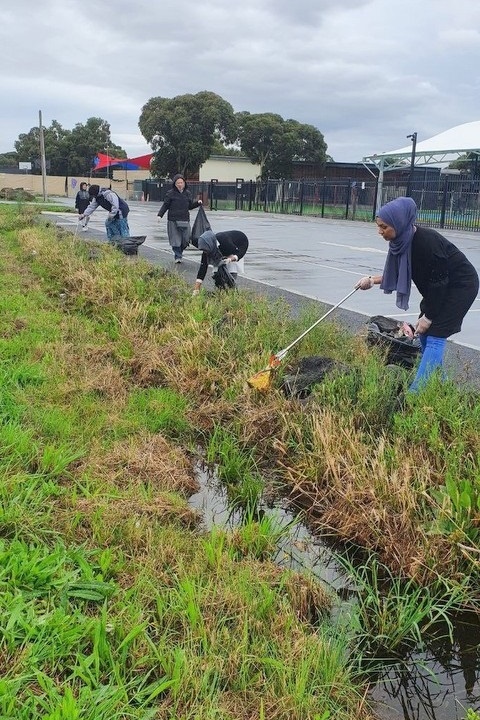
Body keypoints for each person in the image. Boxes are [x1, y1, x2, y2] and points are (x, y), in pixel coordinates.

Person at [356, 196, 479, 391]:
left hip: (460, 286)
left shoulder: (426, 242)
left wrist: (429, 316)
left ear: (399, 223)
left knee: (436, 336)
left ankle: (415, 393)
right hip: (437, 288)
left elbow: (441, 282)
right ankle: (442, 384)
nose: (380, 231)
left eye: (384, 227)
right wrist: (372, 280)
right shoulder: (402, 241)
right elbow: (399, 273)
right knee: (423, 336)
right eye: (378, 226)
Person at [157, 174, 202, 263]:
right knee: (175, 240)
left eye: (181, 183)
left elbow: (189, 206)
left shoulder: (188, 193)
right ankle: (178, 256)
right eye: (178, 183)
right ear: (175, 184)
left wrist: (197, 203)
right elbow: (165, 205)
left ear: (184, 183)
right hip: (173, 220)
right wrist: (160, 215)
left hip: (185, 219)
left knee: (186, 239)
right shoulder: (170, 194)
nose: (180, 185)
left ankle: (179, 252)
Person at [192, 229, 249, 294]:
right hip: (221, 251)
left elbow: (239, 252)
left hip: (239, 245)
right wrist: (196, 289)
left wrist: (231, 259)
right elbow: (203, 267)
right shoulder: (207, 249)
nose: (205, 252)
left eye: (205, 250)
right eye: (203, 250)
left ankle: (232, 292)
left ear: (210, 245)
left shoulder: (224, 241)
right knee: (218, 274)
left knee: (230, 273)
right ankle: (221, 291)